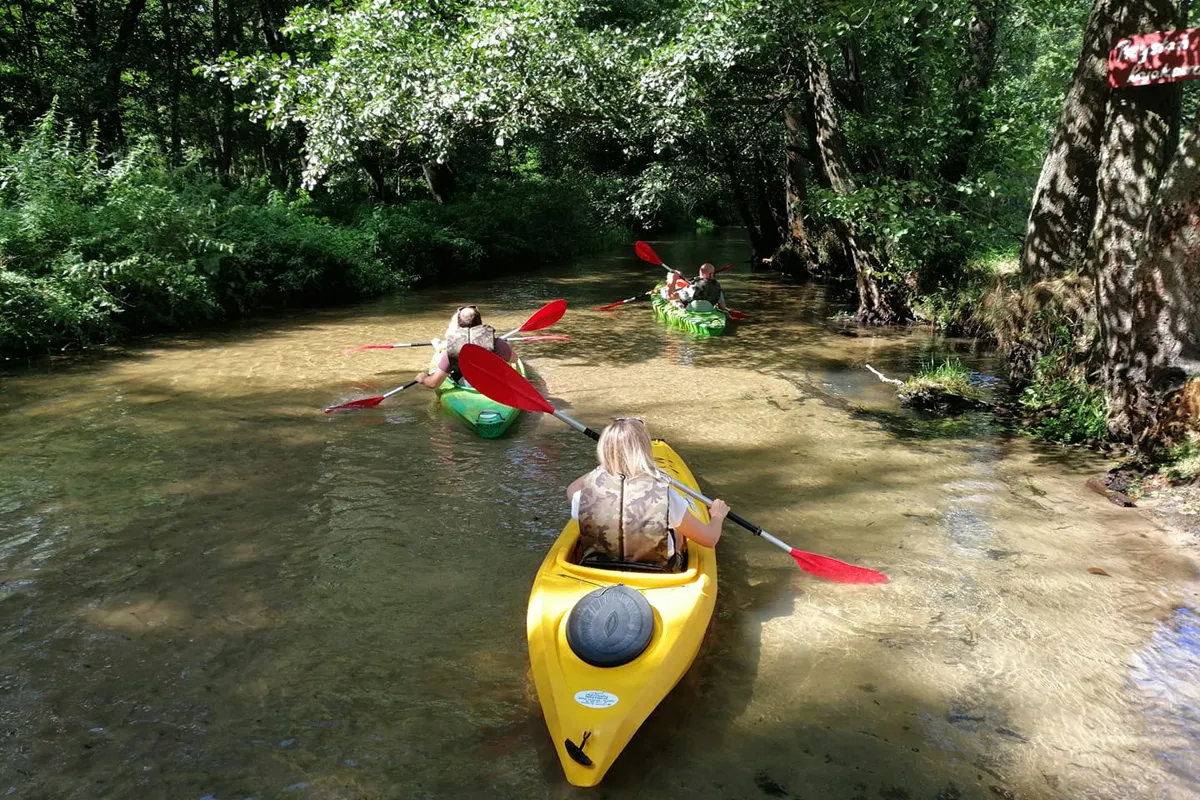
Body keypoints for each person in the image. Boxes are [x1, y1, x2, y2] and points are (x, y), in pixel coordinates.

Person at [565, 418, 729, 571]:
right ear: (645, 450)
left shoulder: (584, 495)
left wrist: (604, 468)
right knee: (678, 530)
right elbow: (709, 540)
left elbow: (571, 489)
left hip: (599, 571)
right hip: (654, 572)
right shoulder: (666, 495)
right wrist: (717, 516)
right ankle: (677, 559)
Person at [414, 305, 517, 388]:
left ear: (458, 324)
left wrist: (423, 378)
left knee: (447, 372)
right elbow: (514, 359)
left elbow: (433, 383)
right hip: (493, 386)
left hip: (467, 386)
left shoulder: (452, 350)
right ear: (480, 322)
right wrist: (507, 348)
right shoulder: (496, 343)